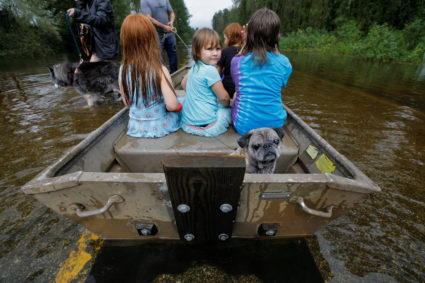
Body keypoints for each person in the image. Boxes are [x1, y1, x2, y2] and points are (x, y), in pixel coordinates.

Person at [119, 14, 182, 138]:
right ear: (152, 39)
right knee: (182, 104)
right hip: (159, 126)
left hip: (134, 127)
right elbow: (172, 105)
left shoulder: (122, 69)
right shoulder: (160, 69)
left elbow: (127, 102)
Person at [231, 8, 292, 135]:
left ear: (249, 35)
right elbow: (281, 82)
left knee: (237, 94)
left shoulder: (236, 62)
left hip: (244, 127)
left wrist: (246, 42)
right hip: (275, 126)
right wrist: (274, 44)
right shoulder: (285, 63)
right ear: (277, 36)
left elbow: (241, 57)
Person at [181, 28, 231, 137]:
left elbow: (183, 84)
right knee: (226, 110)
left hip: (188, 125)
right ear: (197, 52)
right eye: (209, 49)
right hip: (209, 126)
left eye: (218, 48)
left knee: (183, 101)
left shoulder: (194, 67)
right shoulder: (211, 70)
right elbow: (224, 97)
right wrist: (229, 104)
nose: (215, 53)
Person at [140, 0, 178, 74]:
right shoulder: (144, 1)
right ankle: (164, 77)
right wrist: (164, 27)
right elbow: (149, 18)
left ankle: (174, 75)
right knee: (160, 59)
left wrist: (171, 21)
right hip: (155, 34)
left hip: (169, 32)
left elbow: (171, 13)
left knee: (174, 56)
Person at [217, 23, 243, 98]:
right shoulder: (245, 51)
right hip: (241, 89)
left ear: (230, 37)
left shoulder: (225, 51)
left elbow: (217, 73)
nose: (224, 42)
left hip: (228, 90)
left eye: (225, 39)